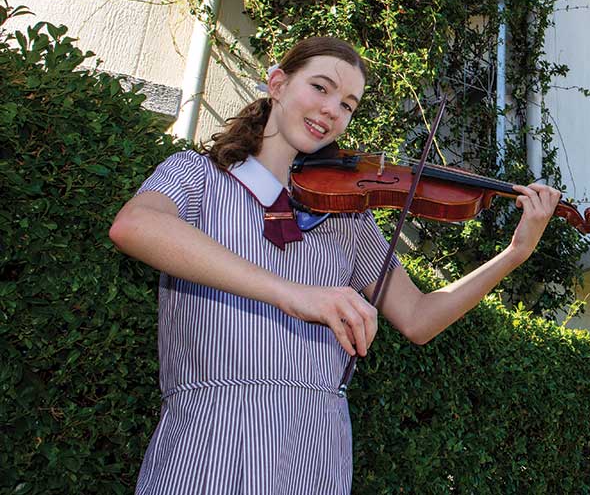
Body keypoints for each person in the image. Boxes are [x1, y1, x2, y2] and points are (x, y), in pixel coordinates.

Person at [108, 36, 561, 494]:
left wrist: (514, 254)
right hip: (213, 438)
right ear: (278, 83)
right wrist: (294, 293)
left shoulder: (348, 215)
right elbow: (135, 226)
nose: (331, 111)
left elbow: (420, 318)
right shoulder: (197, 174)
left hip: (317, 449)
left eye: (347, 104)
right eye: (320, 88)